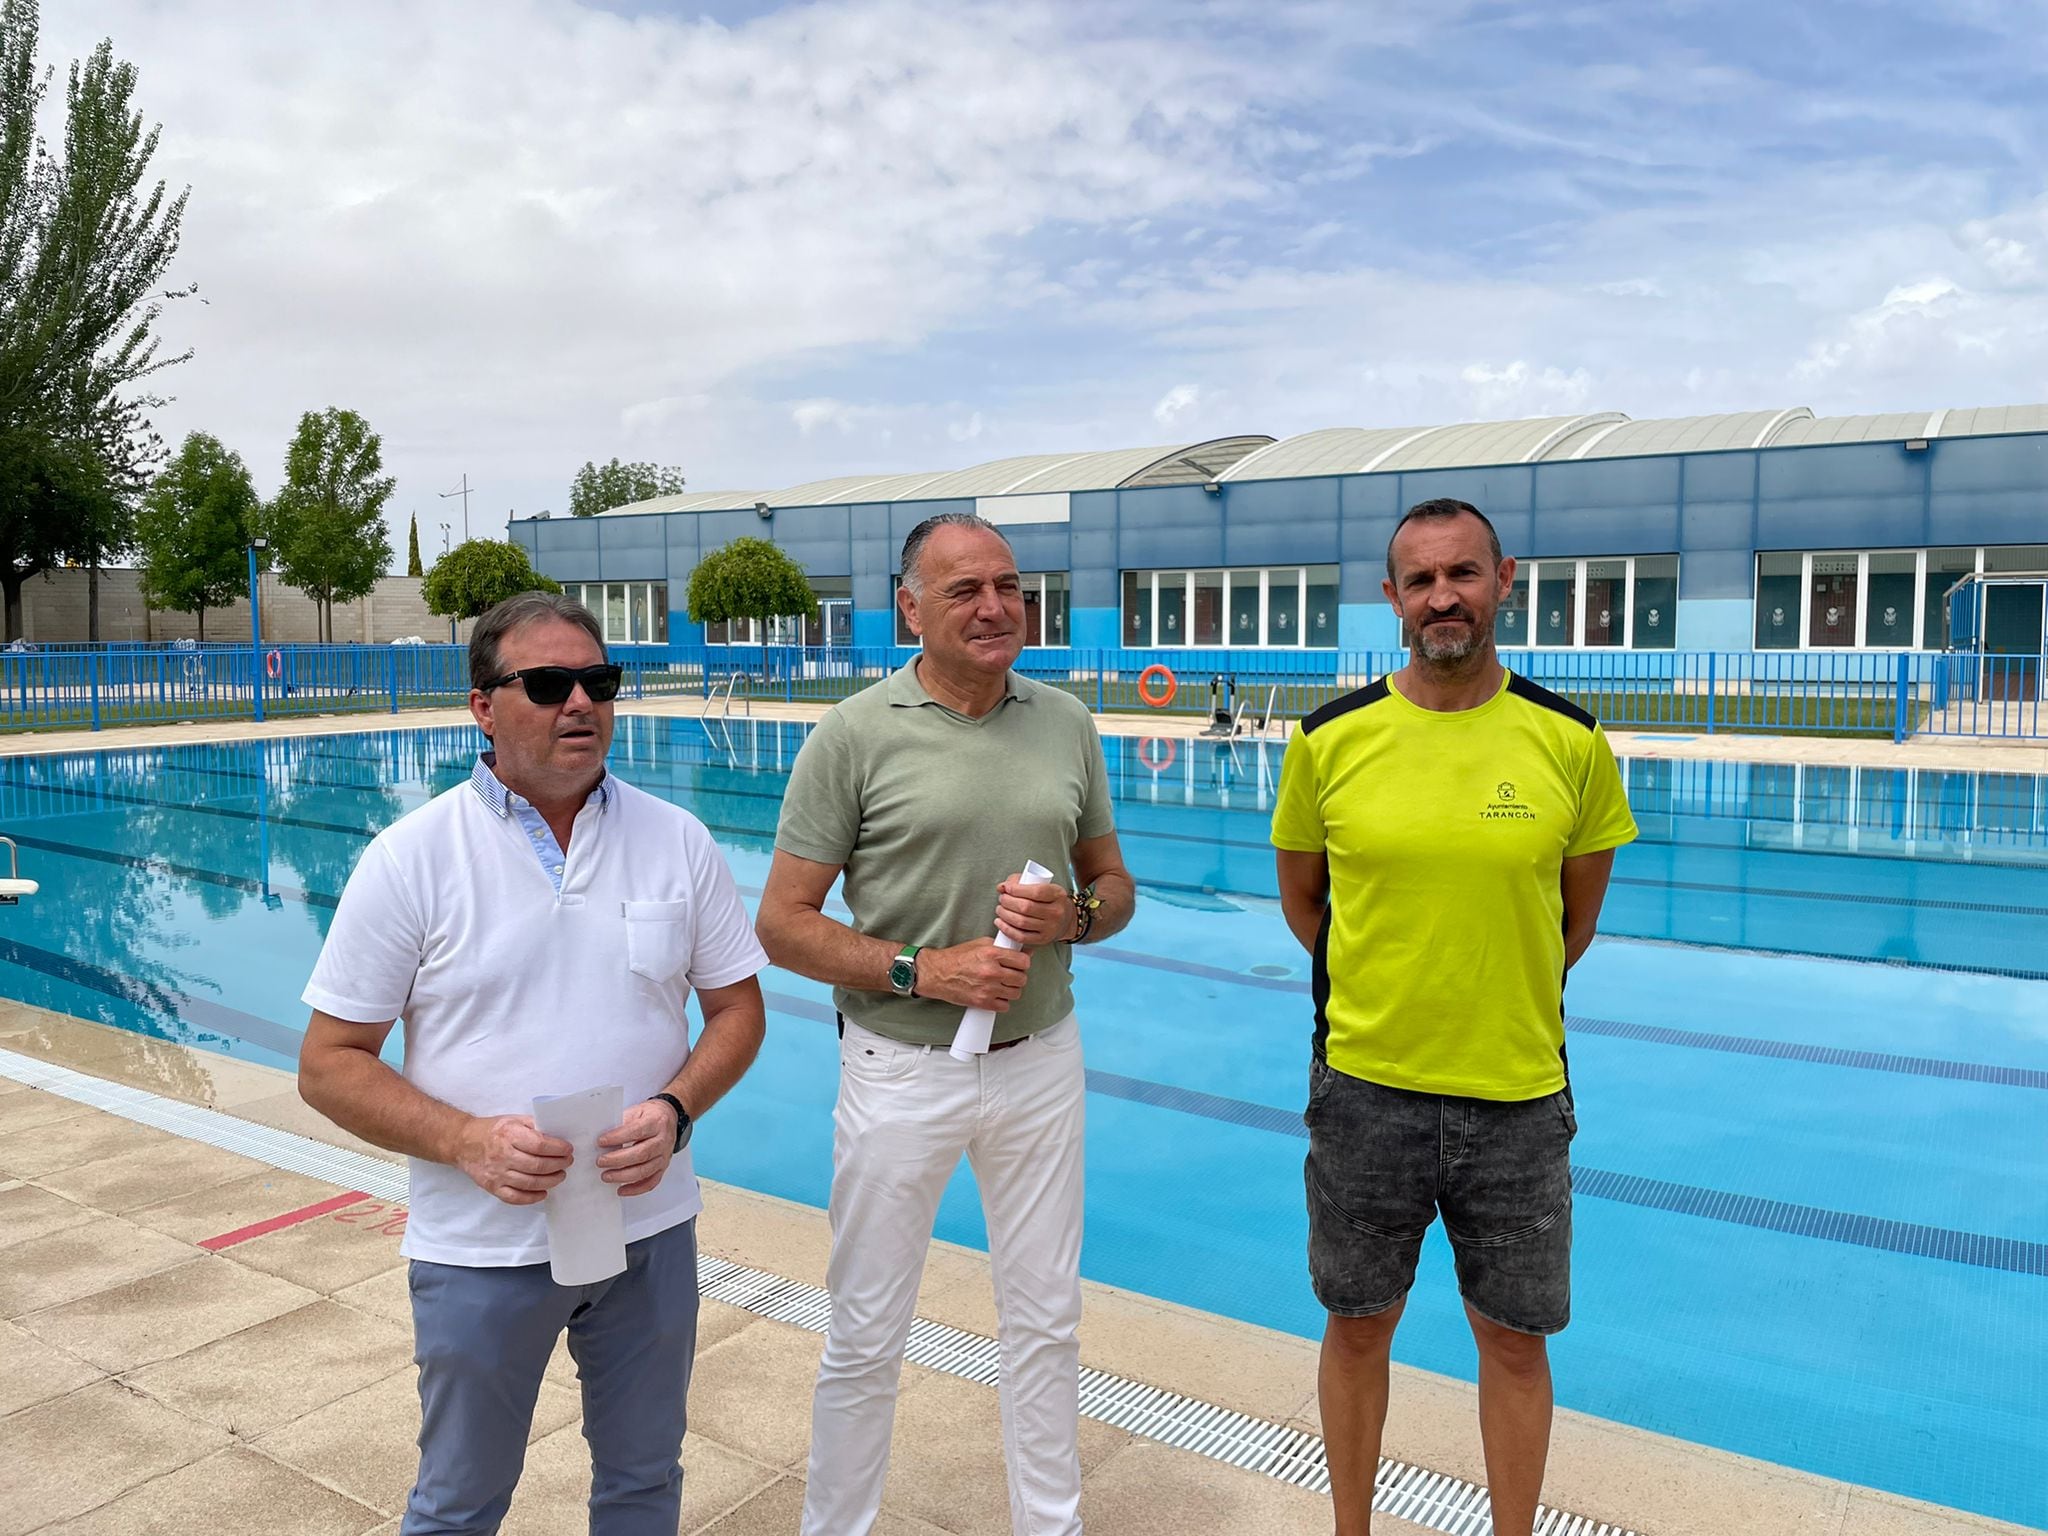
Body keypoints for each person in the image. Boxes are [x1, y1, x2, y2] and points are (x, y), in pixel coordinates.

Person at [297, 590, 768, 1536]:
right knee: (461, 1502)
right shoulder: (412, 859)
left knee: (644, 1483)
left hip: (647, 1234)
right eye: (548, 684)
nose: (580, 704)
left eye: (597, 681)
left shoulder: (676, 839)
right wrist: (467, 1140)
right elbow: (330, 1062)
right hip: (482, 1249)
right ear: (483, 705)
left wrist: (676, 1112)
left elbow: (736, 1012)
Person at [756, 512, 1136, 1536]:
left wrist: (1076, 917)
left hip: (1040, 1062)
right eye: (964, 589)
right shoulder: (854, 734)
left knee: (1046, 1321)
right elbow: (781, 925)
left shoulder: (1063, 721)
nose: (993, 606)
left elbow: (1111, 884)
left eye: (1007, 586)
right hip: (898, 1069)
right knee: (867, 1331)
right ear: (908, 609)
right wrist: (924, 970)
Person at [1269, 498, 1637, 1536]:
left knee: (1515, 1342)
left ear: (1502, 579)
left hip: (1516, 1094)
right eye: (1419, 579)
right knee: (1355, 1328)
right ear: (1389, 598)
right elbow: (1306, 907)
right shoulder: (1327, 739)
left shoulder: (1567, 740)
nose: (1442, 596)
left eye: (1461, 574)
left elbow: (1571, 922)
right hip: (1362, 1091)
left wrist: (1481, 988)